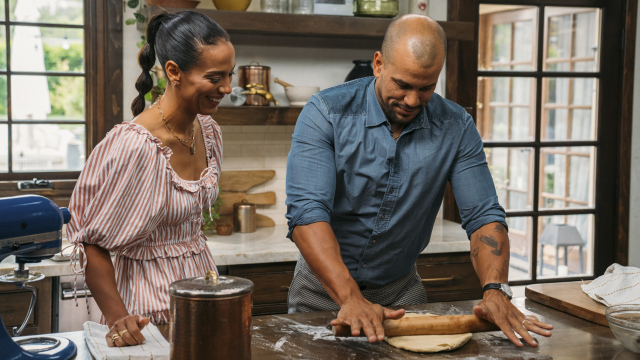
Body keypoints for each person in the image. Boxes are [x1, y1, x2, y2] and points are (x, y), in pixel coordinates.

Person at [285, 14, 553, 347]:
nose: (412, 100)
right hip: (322, 293)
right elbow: (307, 213)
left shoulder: (456, 126)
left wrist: (495, 289)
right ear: (379, 64)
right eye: (403, 84)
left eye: (426, 88)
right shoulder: (326, 111)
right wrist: (350, 296)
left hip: (402, 295)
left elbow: (483, 214)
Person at [66, 11, 234, 347]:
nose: (227, 88)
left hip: (202, 299)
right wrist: (119, 319)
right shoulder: (134, 144)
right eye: (215, 78)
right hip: (146, 313)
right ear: (173, 71)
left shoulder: (208, 131)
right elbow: (91, 243)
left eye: (230, 75)